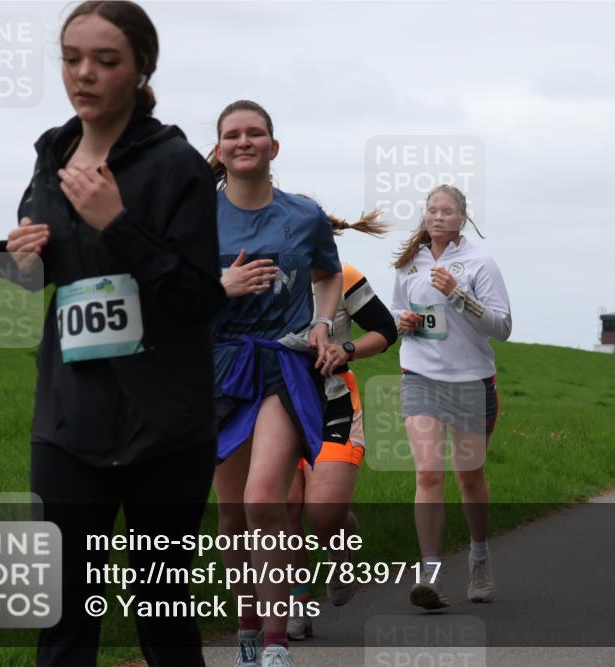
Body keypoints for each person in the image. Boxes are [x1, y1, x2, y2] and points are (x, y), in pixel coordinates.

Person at [0, 2, 222, 664]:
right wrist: (13, 259)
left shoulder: (179, 165)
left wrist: (116, 221)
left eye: (105, 61)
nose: (83, 74)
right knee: (62, 614)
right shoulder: (51, 154)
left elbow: (200, 298)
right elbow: (45, 269)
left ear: (141, 67)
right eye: (71, 58)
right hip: (69, 420)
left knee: (163, 620)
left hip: (165, 426)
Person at [207, 100, 343, 667]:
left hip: (283, 364)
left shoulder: (303, 215)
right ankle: (246, 625)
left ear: (273, 147)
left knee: (266, 498)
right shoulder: (193, 216)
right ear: (218, 150)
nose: (245, 141)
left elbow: (329, 273)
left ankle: (275, 642)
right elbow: (167, 290)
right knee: (234, 513)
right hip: (217, 367)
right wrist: (221, 285)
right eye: (233, 135)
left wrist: (321, 321)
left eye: (255, 133)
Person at [391, 184, 512, 609]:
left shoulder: (480, 263)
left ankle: (479, 557)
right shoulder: (409, 262)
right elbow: (394, 312)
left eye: (447, 211)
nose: (438, 216)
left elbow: (502, 327)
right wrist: (402, 321)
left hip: (470, 381)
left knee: (469, 478)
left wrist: (457, 296)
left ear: (462, 219)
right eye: (431, 210)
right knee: (428, 474)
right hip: (420, 374)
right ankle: (430, 574)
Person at [286, 243, 398, 640]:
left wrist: (346, 348)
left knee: (322, 515)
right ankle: (297, 604)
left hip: (333, 403)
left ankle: (341, 538)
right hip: (278, 404)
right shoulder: (261, 276)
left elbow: (386, 329)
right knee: (285, 511)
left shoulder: (342, 274)